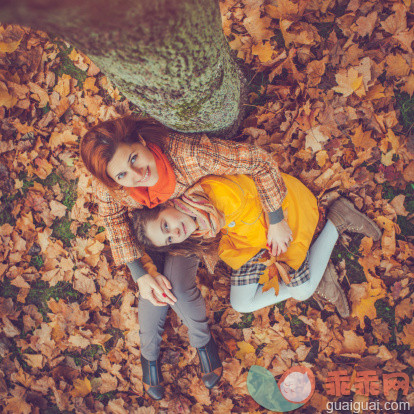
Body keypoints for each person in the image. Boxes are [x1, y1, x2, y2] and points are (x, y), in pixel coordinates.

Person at [80, 115, 292, 400]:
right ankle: (149, 356)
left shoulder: (189, 155)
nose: (137, 174)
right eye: (122, 175)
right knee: (152, 289)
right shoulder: (114, 185)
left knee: (177, 287)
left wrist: (276, 218)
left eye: (134, 158)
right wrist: (139, 273)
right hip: (151, 230)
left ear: (142, 142)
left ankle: (203, 344)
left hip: (186, 221)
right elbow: (112, 218)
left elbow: (259, 161)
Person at [131, 173, 382, 316]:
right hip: (252, 244)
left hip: (283, 217)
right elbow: (244, 243)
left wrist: (287, 270)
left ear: (167, 204)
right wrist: (144, 272)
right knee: (241, 304)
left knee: (303, 291)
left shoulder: (218, 197)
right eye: (170, 239)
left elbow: (261, 235)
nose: (175, 232)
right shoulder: (196, 223)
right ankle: (316, 270)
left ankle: (336, 221)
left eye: (166, 226)